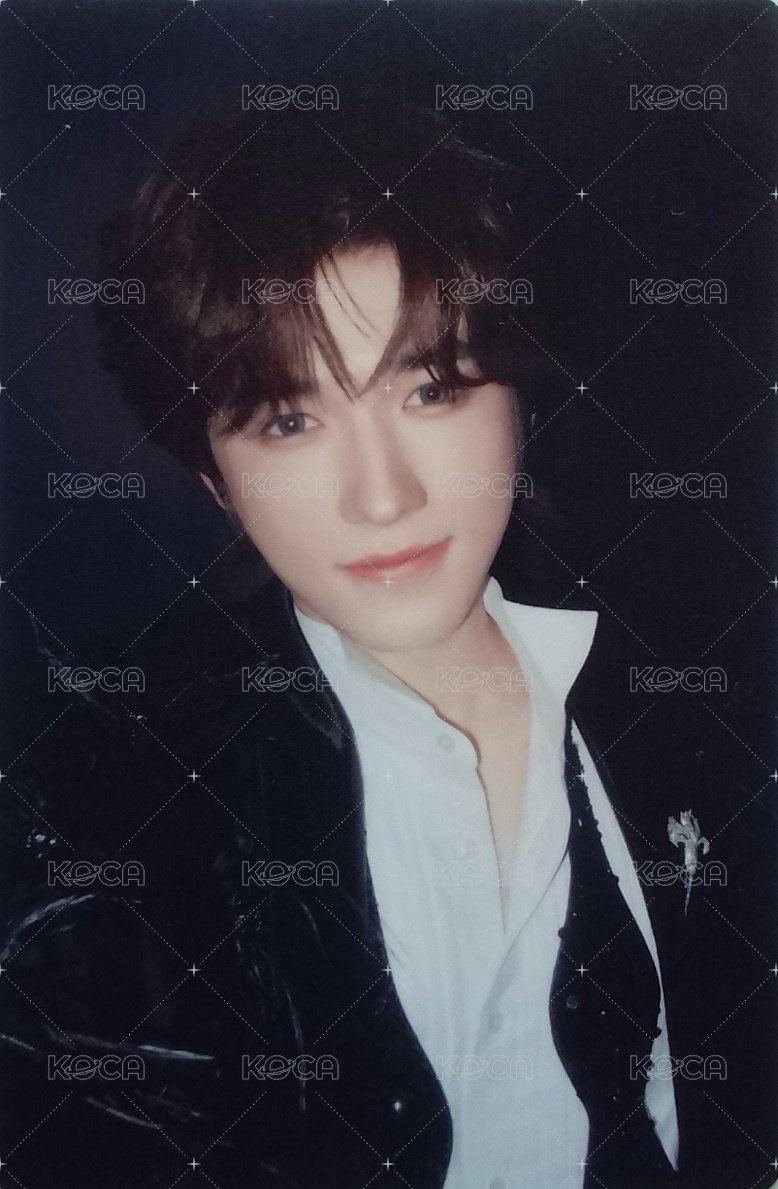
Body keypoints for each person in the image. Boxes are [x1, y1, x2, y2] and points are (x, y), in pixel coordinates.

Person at [0, 102, 764, 1189]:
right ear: (215, 480)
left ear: (518, 399)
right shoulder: (110, 814)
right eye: (289, 420)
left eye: (430, 388)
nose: (383, 496)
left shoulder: (697, 700)